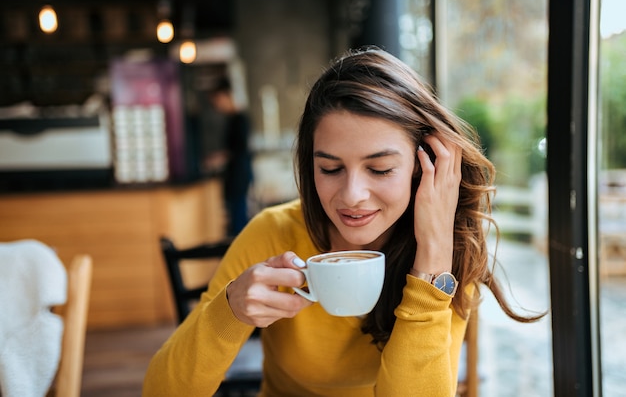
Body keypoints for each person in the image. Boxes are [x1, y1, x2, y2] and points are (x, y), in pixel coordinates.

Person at [143, 47, 543, 396]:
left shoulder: (445, 252)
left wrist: (432, 260)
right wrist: (228, 312)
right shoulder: (275, 232)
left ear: (424, 167)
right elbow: (162, 391)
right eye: (330, 169)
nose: (351, 196)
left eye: (381, 169)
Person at [204, 76, 254, 236]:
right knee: (237, 216)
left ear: (226, 96)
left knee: (239, 218)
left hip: (239, 175)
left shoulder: (239, 119)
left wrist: (219, 158)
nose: (217, 106)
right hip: (237, 174)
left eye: (217, 101)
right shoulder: (232, 119)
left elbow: (238, 149)